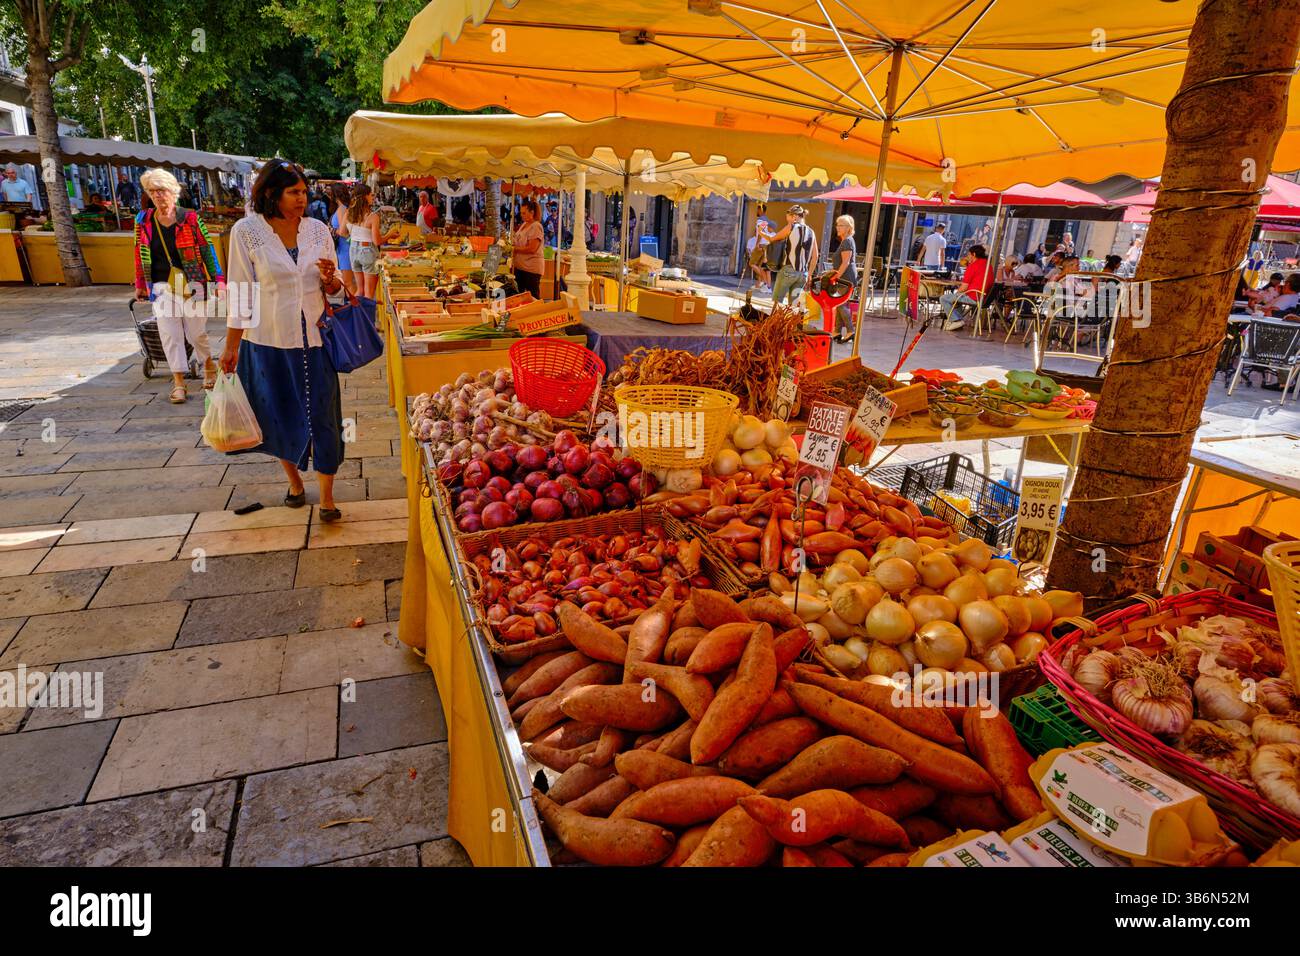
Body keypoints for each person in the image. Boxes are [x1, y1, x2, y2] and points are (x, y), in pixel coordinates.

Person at [220, 159, 348, 523]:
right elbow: (241, 292)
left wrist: (331, 280)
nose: (301, 199)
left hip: (315, 339)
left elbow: (336, 288)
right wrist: (232, 345)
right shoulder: (247, 232)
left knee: (323, 417)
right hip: (268, 342)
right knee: (277, 416)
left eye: (304, 192)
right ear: (271, 193)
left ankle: (327, 497)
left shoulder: (318, 230)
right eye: (293, 192)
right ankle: (294, 484)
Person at [132, 167, 223, 403]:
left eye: (161, 190)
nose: (157, 196)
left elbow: (207, 249)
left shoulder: (190, 218)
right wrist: (141, 283)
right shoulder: (143, 220)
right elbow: (138, 252)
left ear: (173, 191)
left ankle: (209, 366)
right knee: (169, 335)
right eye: (152, 191)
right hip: (161, 285)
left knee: (196, 333)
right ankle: (179, 382)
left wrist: (219, 279)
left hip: (192, 283)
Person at [337, 183, 394, 298]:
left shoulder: (349, 213)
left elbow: (342, 232)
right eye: (370, 195)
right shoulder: (373, 216)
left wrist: (354, 236)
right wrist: (390, 234)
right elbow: (377, 241)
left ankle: (357, 315)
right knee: (369, 293)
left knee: (360, 291)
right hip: (368, 251)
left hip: (353, 250)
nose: (372, 197)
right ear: (365, 196)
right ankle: (366, 316)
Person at [766, 204, 818, 310]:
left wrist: (761, 231)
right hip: (803, 274)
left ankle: (773, 325)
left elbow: (772, 239)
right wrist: (809, 275)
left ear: (794, 216)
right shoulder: (812, 232)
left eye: (788, 217)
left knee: (777, 302)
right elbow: (815, 256)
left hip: (788, 270)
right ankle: (790, 326)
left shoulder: (792, 226)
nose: (787, 220)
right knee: (793, 306)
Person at [822, 214, 858, 342]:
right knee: (838, 304)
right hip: (843, 276)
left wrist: (836, 276)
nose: (837, 227)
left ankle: (850, 331)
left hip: (845, 277)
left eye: (841, 225)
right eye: (837, 224)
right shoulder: (845, 240)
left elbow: (846, 262)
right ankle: (836, 331)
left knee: (841, 304)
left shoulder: (848, 240)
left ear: (848, 228)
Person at [940, 244, 992, 331]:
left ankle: (956, 320)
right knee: (958, 297)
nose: (968, 257)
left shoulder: (973, 266)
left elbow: (964, 287)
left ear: (974, 254)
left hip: (974, 296)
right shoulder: (988, 265)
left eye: (968, 254)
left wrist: (955, 295)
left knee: (944, 298)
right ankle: (958, 321)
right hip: (984, 298)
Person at [512, 197, 545, 298]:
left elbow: (532, 248)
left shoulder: (536, 226)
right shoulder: (524, 224)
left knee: (532, 297)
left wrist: (514, 249)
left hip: (531, 269)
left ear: (532, 212)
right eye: (521, 213)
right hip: (521, 268)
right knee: (520, 297)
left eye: (524, 213)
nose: (521, 216)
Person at [327, 183, 355, 294]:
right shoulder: (342, 208)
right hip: (343, 248)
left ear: (334, 195)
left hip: (345, 248)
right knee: (347, 282)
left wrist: (331, 230)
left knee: (347, 282)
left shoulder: (342, 208)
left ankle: (354, 308)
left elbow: (344, 232)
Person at [747, 203, 777, 292]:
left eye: (757, 209)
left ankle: (764, 282)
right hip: (765, 245)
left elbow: (760, 233)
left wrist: (757, 244)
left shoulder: (760, 220)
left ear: (760, 210)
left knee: (752, 263)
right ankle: (760, 284)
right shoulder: (766, 220)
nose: (757, 211)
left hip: (761, 245)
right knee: (760, 267)